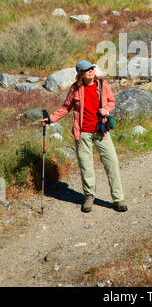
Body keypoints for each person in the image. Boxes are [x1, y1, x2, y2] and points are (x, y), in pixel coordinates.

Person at [41, 60, 128, 214]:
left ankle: (118, 199)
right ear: (81, 73)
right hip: (82, 133)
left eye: (92, 69)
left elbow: (112, 101)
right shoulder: (75, 89)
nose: (91, 71)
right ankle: (89, 196)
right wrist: (51, 119)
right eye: (87, 70)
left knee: (112, 162)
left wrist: (106, 110)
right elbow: (65, 108)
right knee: (86, 166)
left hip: (101, 131)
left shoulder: (102, 85)